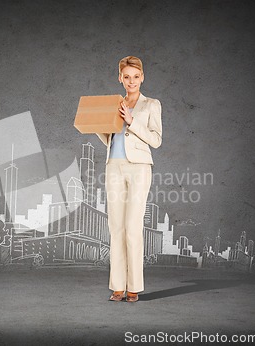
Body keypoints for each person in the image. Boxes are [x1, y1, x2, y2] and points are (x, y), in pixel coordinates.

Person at [96, 56, 162, 302]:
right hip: (114, 166)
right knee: (116, 228)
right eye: (127, 76)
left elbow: (156, 140)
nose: (131, 81)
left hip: (139, 168)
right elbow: (111, 139)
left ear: (142, 77)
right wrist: (98, 124)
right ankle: (117, 286)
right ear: (120, 78)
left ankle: (133, 287)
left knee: (133, 227)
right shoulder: (115, 103)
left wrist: (132, 121)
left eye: (136, 76)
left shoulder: (151, 105)